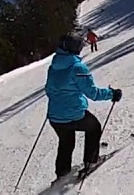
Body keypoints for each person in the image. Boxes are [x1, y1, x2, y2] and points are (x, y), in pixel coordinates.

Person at [45, 33, 122, 179]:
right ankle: (91, 162)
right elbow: (93, 93)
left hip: (55, 117)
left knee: (66, 142)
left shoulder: (53, 67)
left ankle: (62, 174)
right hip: (73, 114)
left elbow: (49, 90)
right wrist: (112, 94)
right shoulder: (77, 68)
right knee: (93, 128)